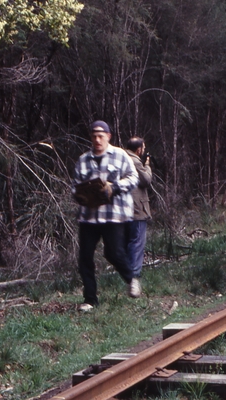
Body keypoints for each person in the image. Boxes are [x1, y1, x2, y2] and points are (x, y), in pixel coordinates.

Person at [73, 120, 140, 311]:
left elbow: (133, 178)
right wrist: (81, 195)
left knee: (114, 252)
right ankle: (90, 300)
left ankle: (131, 279)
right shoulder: (83, 160)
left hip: (114, 214)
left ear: (108, 137)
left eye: (101, 136)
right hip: (89, 216)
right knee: (85, 257)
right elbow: (75, 186)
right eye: (94, 136)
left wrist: (114, 187)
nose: (97, 139)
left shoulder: (120, 155)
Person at [124, 136, 152, 296]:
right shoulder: (134, 161)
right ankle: (133, 277)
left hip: (123, 210)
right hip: (136, 209)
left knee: (128, 243)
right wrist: (147, 165)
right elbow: (146, 180)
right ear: (139, 149)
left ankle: (128, 275)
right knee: (136, 243)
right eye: (143, 147)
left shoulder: (121, 159)